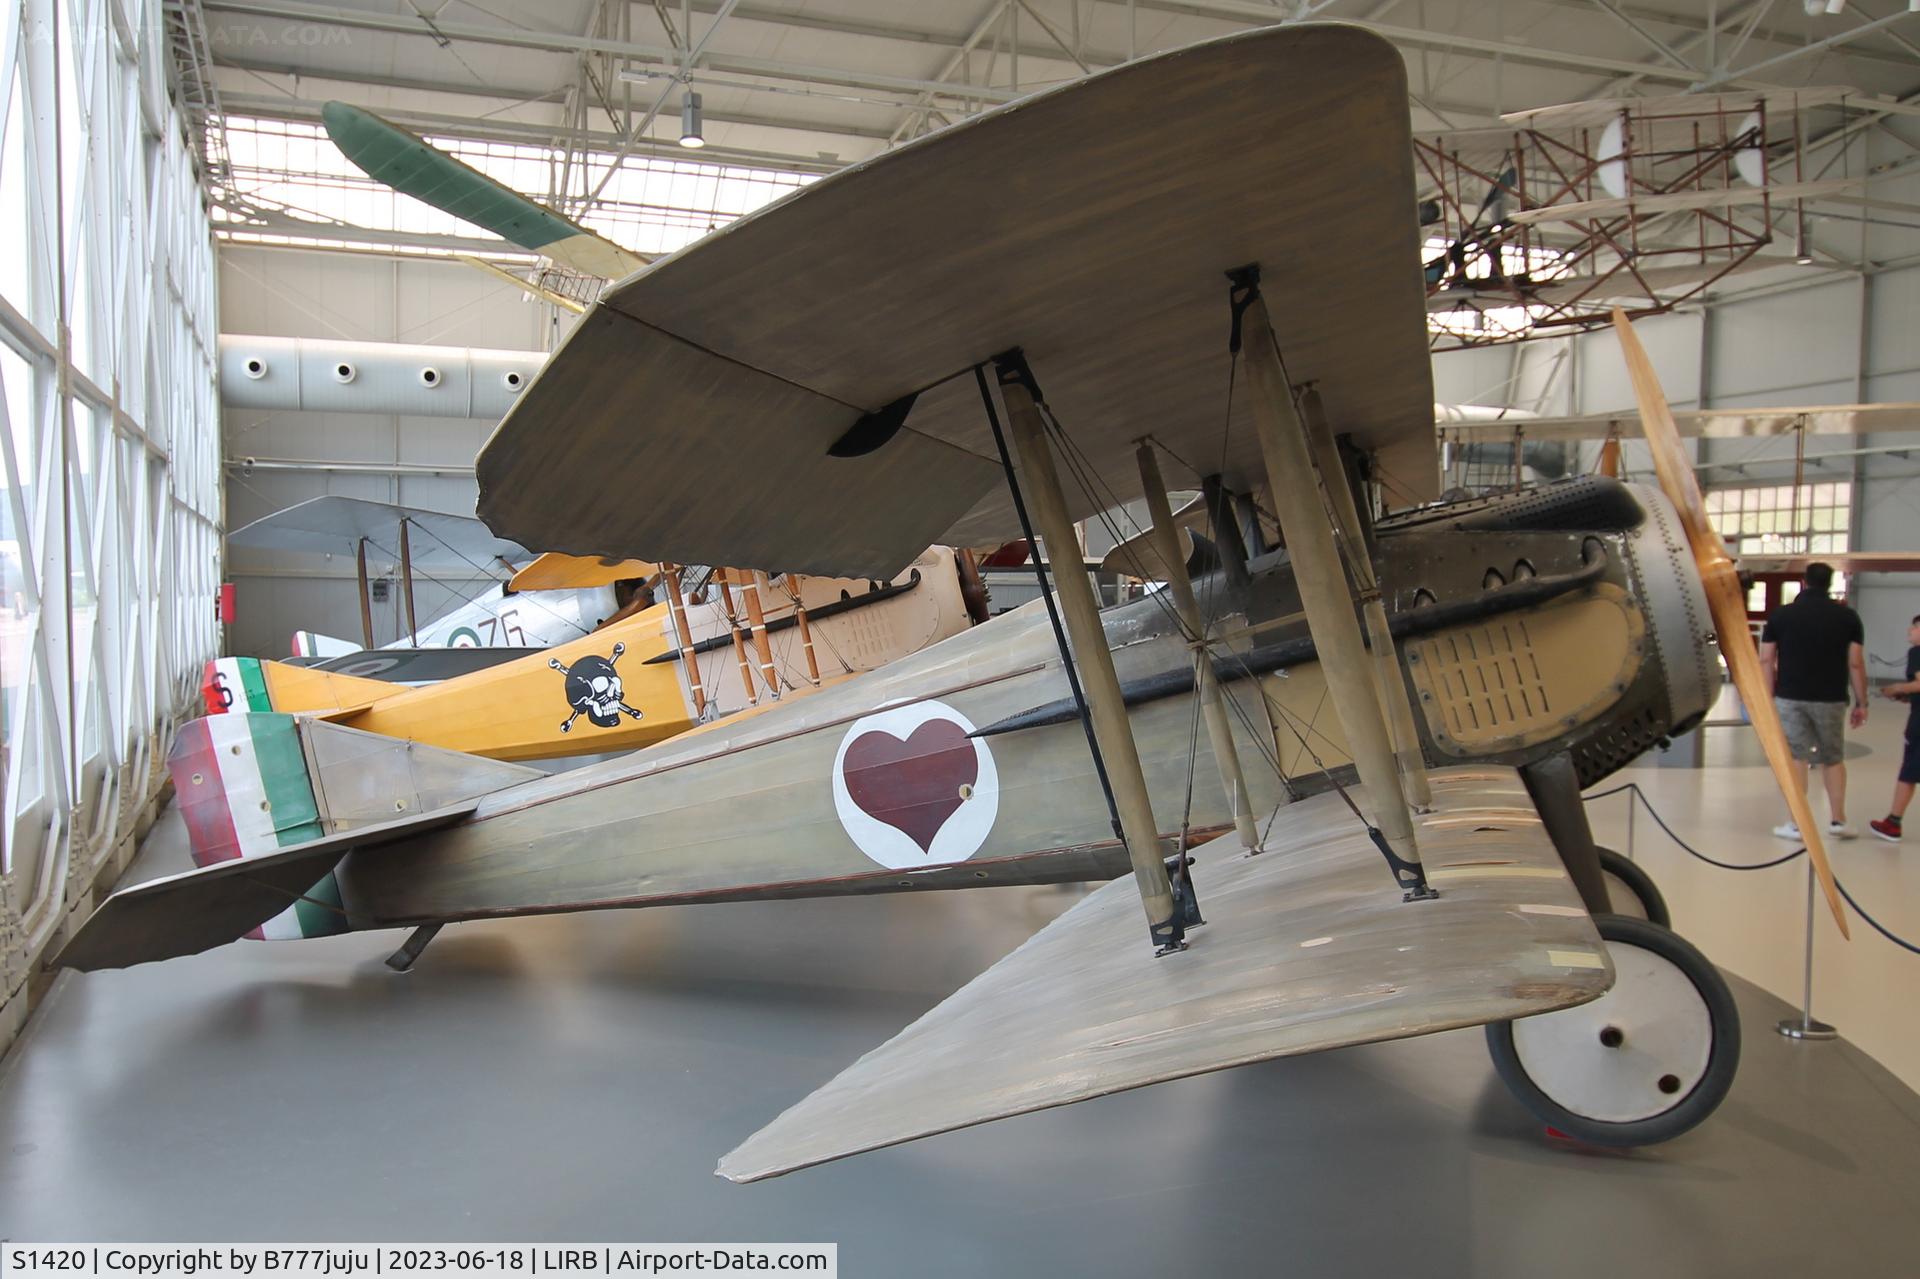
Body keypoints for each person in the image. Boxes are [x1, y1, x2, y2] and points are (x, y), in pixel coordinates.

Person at [1759, 562, 1867, 840]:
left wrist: (1767, 698)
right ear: (1829, 584)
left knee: (1796, 757)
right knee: (1832, 757)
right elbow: (1855, 664)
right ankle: (1838, 820)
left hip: (1790, 697)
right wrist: (1861, 702)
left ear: (1804, 583)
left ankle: (1796, 823)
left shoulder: (1782, 616)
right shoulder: (1848, 618)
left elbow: (1766, 659)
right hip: (1831, 698)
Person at [1869, 614, 1920, 842]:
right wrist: (1908, 696)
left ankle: (1893, 822)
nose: (1910, 630)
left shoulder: (1917, 653)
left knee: (1909, 770)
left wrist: (1896, 688)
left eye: (1916, 627)